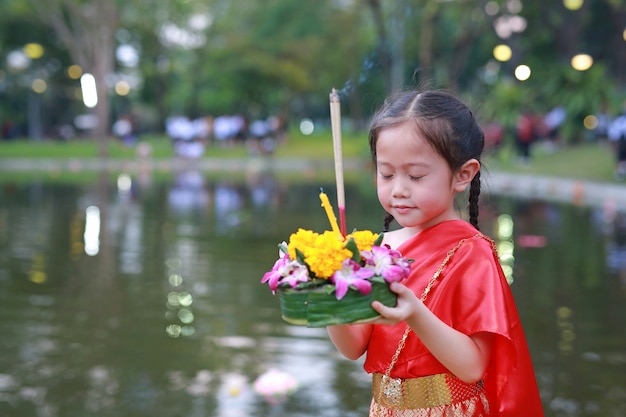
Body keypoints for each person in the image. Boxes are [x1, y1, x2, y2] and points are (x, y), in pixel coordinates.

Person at [327, 90, 544, 417]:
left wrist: (415, 313)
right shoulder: (378, 250)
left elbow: (472, 367)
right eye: (386, 174)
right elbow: (353, 347)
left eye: (415, 176)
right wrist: (330, 298)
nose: (398, 188)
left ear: (462, 174)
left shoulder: (472, 253)